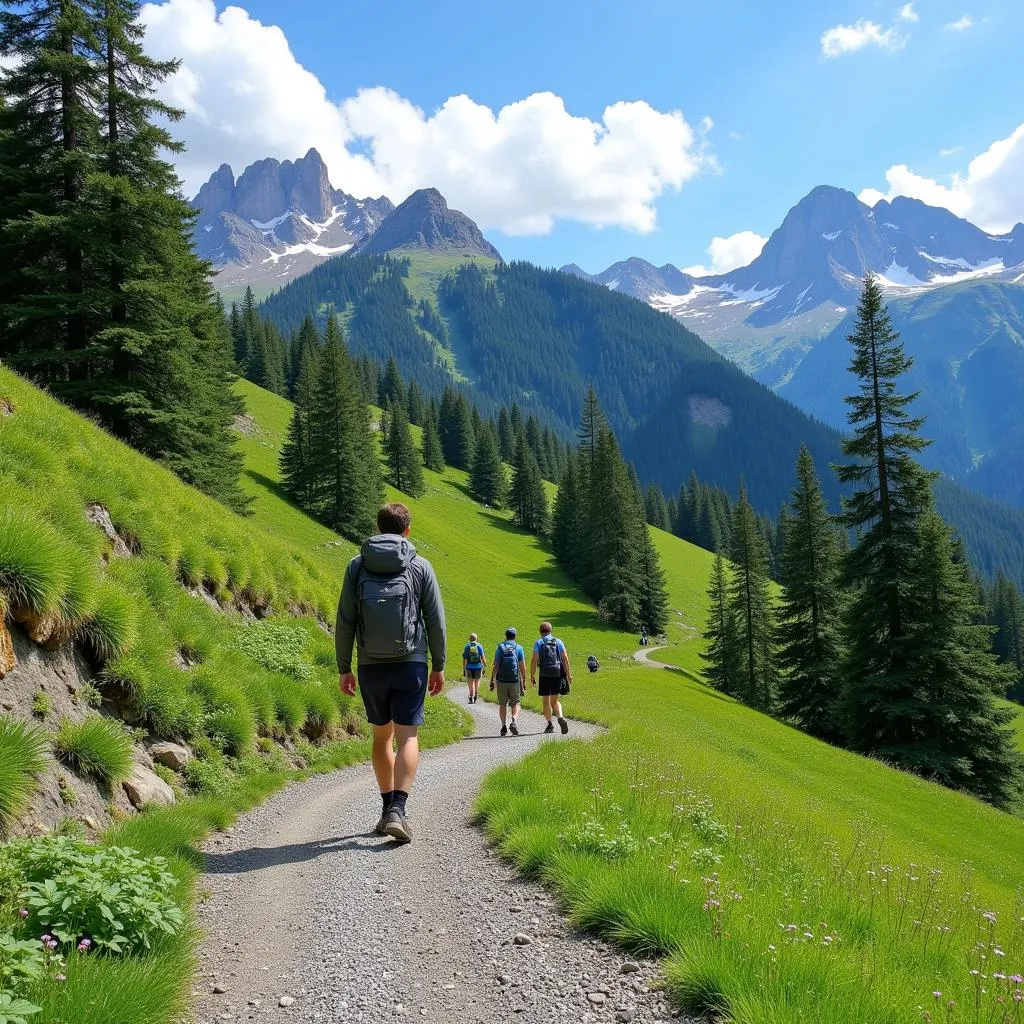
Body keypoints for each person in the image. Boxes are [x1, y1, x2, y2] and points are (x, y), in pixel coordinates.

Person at [336, 502, 446, 844]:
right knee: (408, 737)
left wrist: (344, 668)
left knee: (381, 738)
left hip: (370, 665)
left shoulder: (357, 566)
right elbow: (435, 620)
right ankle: (399, 809)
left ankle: (386, 811)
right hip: (411, 662)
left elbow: (345, 621)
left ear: (378, 527)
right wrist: (439, 665)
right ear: (407, 530)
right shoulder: (420, 566)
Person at [530, 621, 571, 735]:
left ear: (540, 631)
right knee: (555, 700)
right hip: (556, 673)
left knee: (546, 700)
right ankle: (560, 717)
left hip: (544, 673)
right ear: (551, 631)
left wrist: (532, 674)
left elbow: (534, 660)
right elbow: (565, 658)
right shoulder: (558, 641)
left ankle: (549, 724)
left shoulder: (539, 642)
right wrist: (568, 674)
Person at [489, 627, 526, 737]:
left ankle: (503, 726)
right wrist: (523, 680)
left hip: (501, 680)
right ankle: (514, 721)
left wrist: (492, 680)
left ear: (506, 636)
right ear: (515, 636)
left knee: (502, 704)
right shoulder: (518, 648)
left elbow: (496, 665)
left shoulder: (500, 647)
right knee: (516, 703)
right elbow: (522, 666)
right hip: (514, 680)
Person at [462, 633, 487, 704]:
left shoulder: (467, 646)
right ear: (476, 639)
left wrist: (464, 668)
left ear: (469, 639)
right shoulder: (479, 646)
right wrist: (485, 666)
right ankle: (476, 695)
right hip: (478, 667)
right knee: (477, 681)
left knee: (470, 682)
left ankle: (470, 696)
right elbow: (482, 657)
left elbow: (465, 659)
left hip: (469, 667)